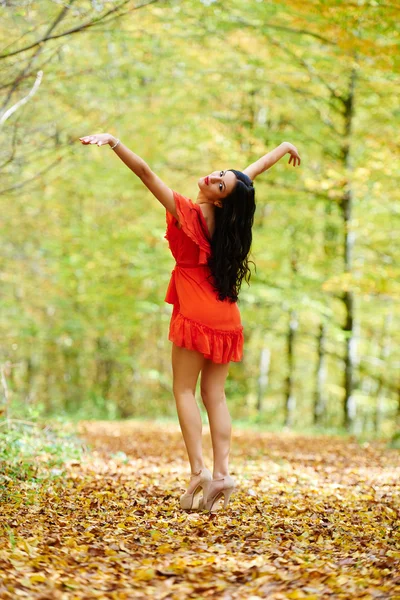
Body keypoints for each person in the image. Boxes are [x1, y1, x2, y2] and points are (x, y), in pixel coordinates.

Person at [79, 133, 301, 512]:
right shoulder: (229, 210)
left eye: (219, 183)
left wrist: (115, 142)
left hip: (196, 310)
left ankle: (198, 471)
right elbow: (250, 174)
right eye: (219, 174)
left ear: (219, 197)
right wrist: (282, 148)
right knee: (214, 395)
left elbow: (147, 174)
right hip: (226, 313)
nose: (213, 178)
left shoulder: (189, 212)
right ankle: (223, 475)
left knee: (184, 391)